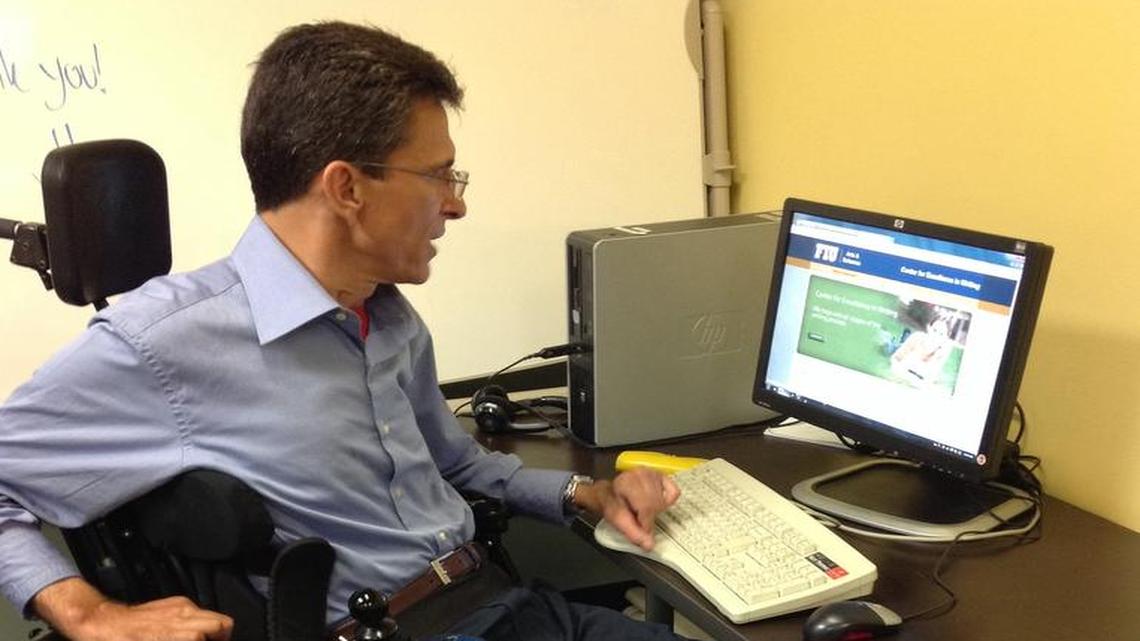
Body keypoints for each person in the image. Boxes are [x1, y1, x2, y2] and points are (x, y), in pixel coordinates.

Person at [0, 21, 684, 641]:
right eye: (439, 175)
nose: (457, 203)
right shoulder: (164, 339)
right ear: (347, 188)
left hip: (503, 601)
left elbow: (459, 465)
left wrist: (581, 495)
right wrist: (83, 609)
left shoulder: (386, 313)